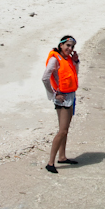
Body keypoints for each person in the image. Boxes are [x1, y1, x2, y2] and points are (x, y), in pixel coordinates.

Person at [42, 35, 81, 173]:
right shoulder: (55, 59)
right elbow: (45, 78)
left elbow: (74, 74)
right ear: (61, 45)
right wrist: (54, 94)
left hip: (70, 95)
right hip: (62, 98)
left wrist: (76, 61)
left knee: (65, 129)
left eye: (72, 47)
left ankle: (62, 157)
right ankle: (50, 162)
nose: (70, 49)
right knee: (62, 130)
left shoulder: (68, 59)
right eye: (68, 46)